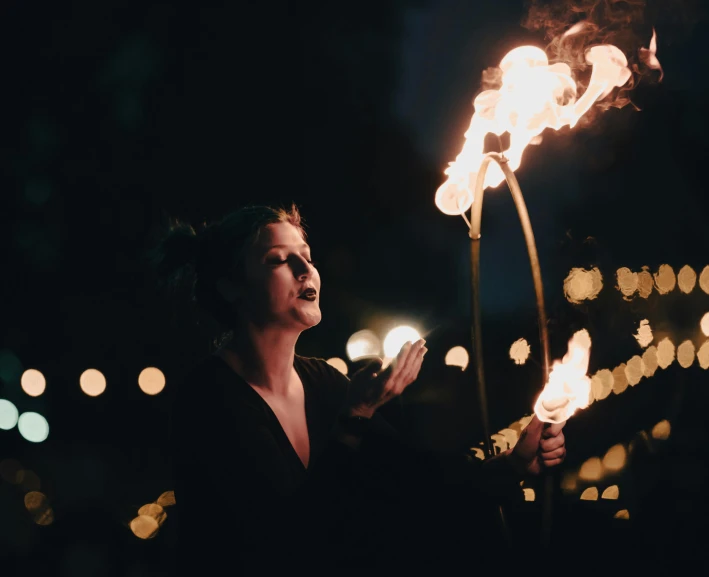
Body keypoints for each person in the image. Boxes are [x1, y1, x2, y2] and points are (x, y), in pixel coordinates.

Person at [150, 204, 567, 573]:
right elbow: (289, 541)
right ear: (232, 287)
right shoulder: (208, 399)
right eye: (279, 259)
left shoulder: (325, 383)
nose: (305, 270)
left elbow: (420, 489)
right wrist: (354, 419)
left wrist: (514, 463)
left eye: (307, 257)